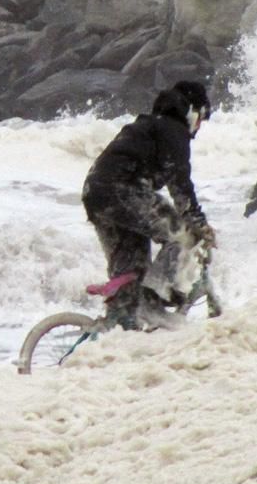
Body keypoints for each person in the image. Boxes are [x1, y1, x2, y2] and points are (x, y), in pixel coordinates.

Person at [82, 81, 214, 329]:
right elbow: (180, 183)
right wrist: (198, 224)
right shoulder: (172, 129)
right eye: (202, 119)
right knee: (182, 235)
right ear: (193, 112)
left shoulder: (150, 126)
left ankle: (120, 332)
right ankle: (153, 306)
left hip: (96, 195)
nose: (198, 127)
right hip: (122, 190)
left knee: (133, 278)